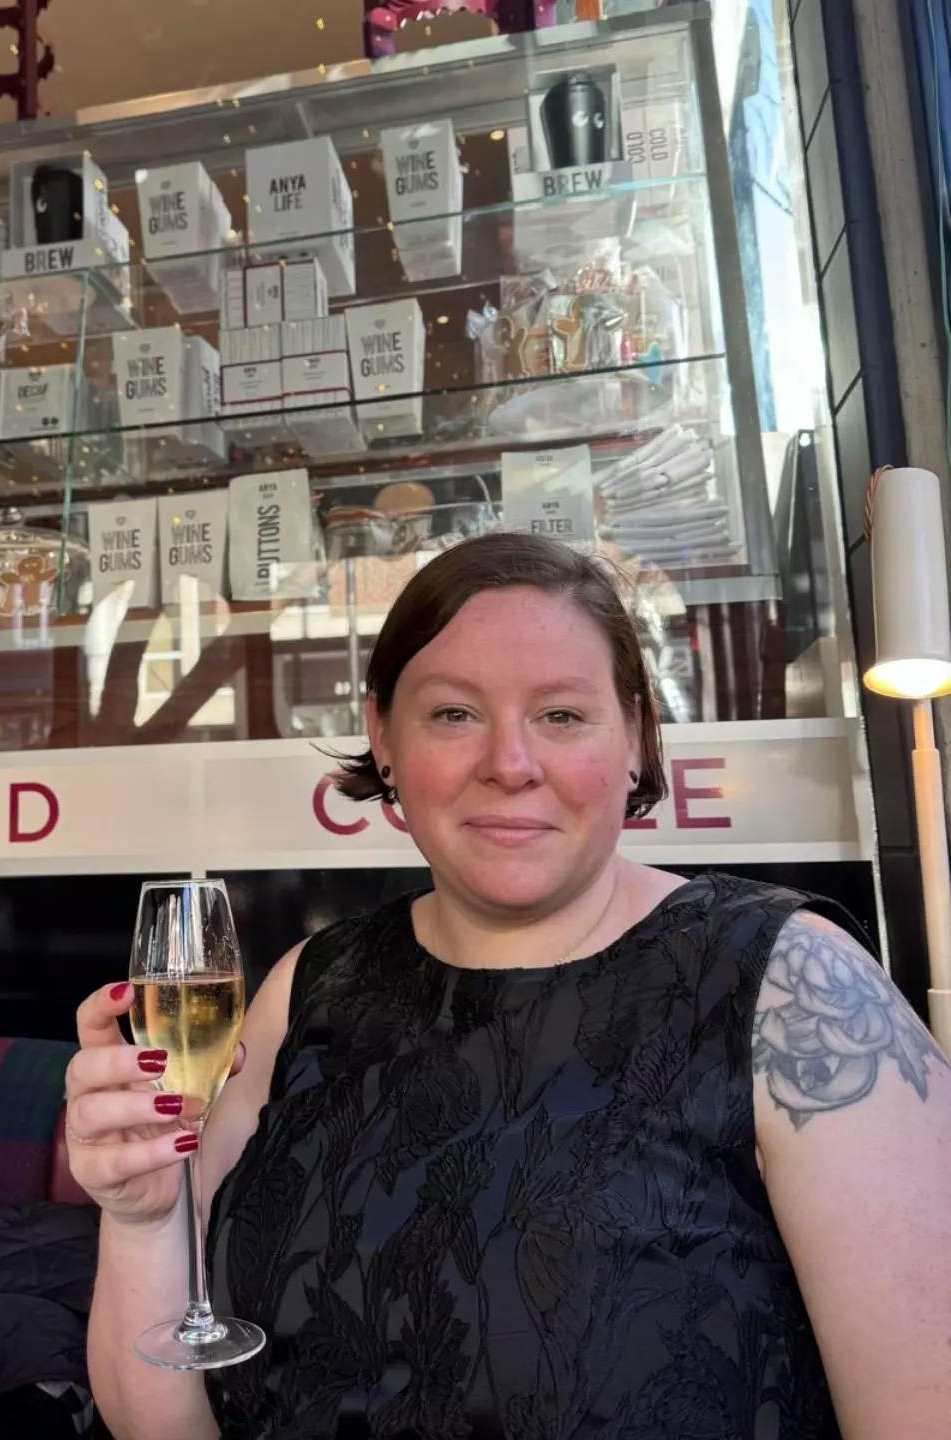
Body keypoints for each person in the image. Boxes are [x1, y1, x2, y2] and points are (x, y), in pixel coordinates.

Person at [65, 532, 951, 1439]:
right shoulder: (309, 989)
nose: (510, 762)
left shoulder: (788, 986)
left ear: (637, 737)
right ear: (383, 736)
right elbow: (163, 1424)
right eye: (454, 714)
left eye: (561, 715)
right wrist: (142, 1222)